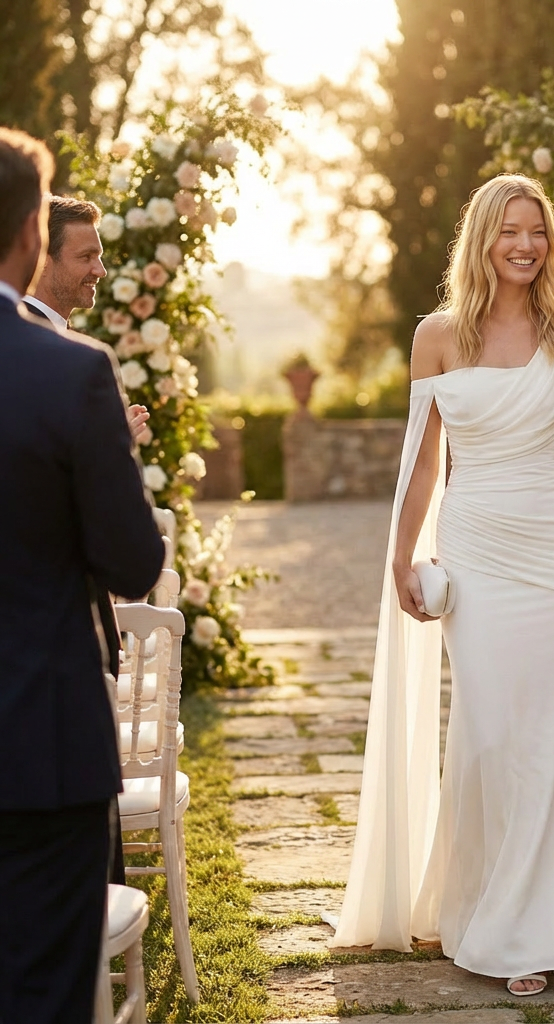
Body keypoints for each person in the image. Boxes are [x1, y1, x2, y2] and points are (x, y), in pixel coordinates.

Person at [330, 175, 554, 994]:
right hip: (475, 552)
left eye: (536, 231)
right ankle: (471, 910)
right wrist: (400, 555)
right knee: (490, 736)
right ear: (482, 239)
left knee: (544, 740)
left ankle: (533, 932)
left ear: (550, 242)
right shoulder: (435, 337)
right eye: (510, 230)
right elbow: (423, 461)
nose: (525, 245)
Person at [0, 127, 165, 1023]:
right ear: (30, 234)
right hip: (38, 745)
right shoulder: (67, 372)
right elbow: (134, 560)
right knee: (47, 992)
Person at [24, 195, 149, 443]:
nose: (100, 270)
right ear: (43, 262)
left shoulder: (60, 339)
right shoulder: (33, 347)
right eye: (86, 257)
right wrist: (108, 442)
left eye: (99, 256)